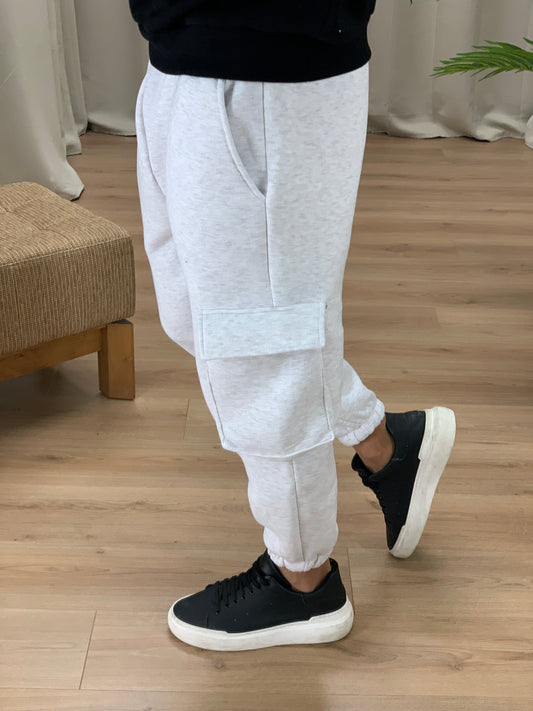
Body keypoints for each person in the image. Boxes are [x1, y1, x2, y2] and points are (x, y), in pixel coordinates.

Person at [129, 0, 456, 652]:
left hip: (265, 73)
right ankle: (384, 444)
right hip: (178, 62)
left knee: (262, 351)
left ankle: (303, 579)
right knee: (200, 318)